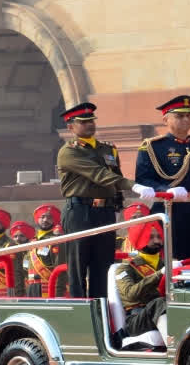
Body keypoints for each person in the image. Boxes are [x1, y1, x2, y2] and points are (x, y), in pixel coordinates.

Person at [57, 102, 155, 298]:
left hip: (105, 212)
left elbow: (114, 176)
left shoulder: (108, 149)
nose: (89, 125)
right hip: (80, 212)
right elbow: (99, 174)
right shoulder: (69, 151)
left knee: (103, 265)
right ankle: (80, 312)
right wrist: (133, 185)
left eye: (91, 121)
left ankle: (100, 309)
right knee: (78, 266)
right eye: (83, 122)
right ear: (71, 127)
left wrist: (118, 204)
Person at [135, 95, 190, 260]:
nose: (185, 119)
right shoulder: (153, 147)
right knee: (174, 260)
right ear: (165, 120)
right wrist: (167, 190)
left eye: (188, 115)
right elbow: (143, 180)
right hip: (170, 208)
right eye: (179, 116)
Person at [115, 221, 168, 351]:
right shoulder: (125, 267)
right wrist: (158, 275)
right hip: (136, 320)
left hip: (166, 312)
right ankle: (176, 350)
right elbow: (130, 294)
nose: (156, 241)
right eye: (151, 237)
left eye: (158, 237)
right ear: (140, 239)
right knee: (159, 303)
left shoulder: (166, 265)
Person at [23, 204, 66, 298]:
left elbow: (60, 270)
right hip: (31, 288)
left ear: (54, 220)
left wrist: (59, 294)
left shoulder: (56, 241)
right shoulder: (32, 241)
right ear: (37, 219)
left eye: (49, 217)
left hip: (47, 288)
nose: (45, 220)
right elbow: (25, 265)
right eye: (42, 217)